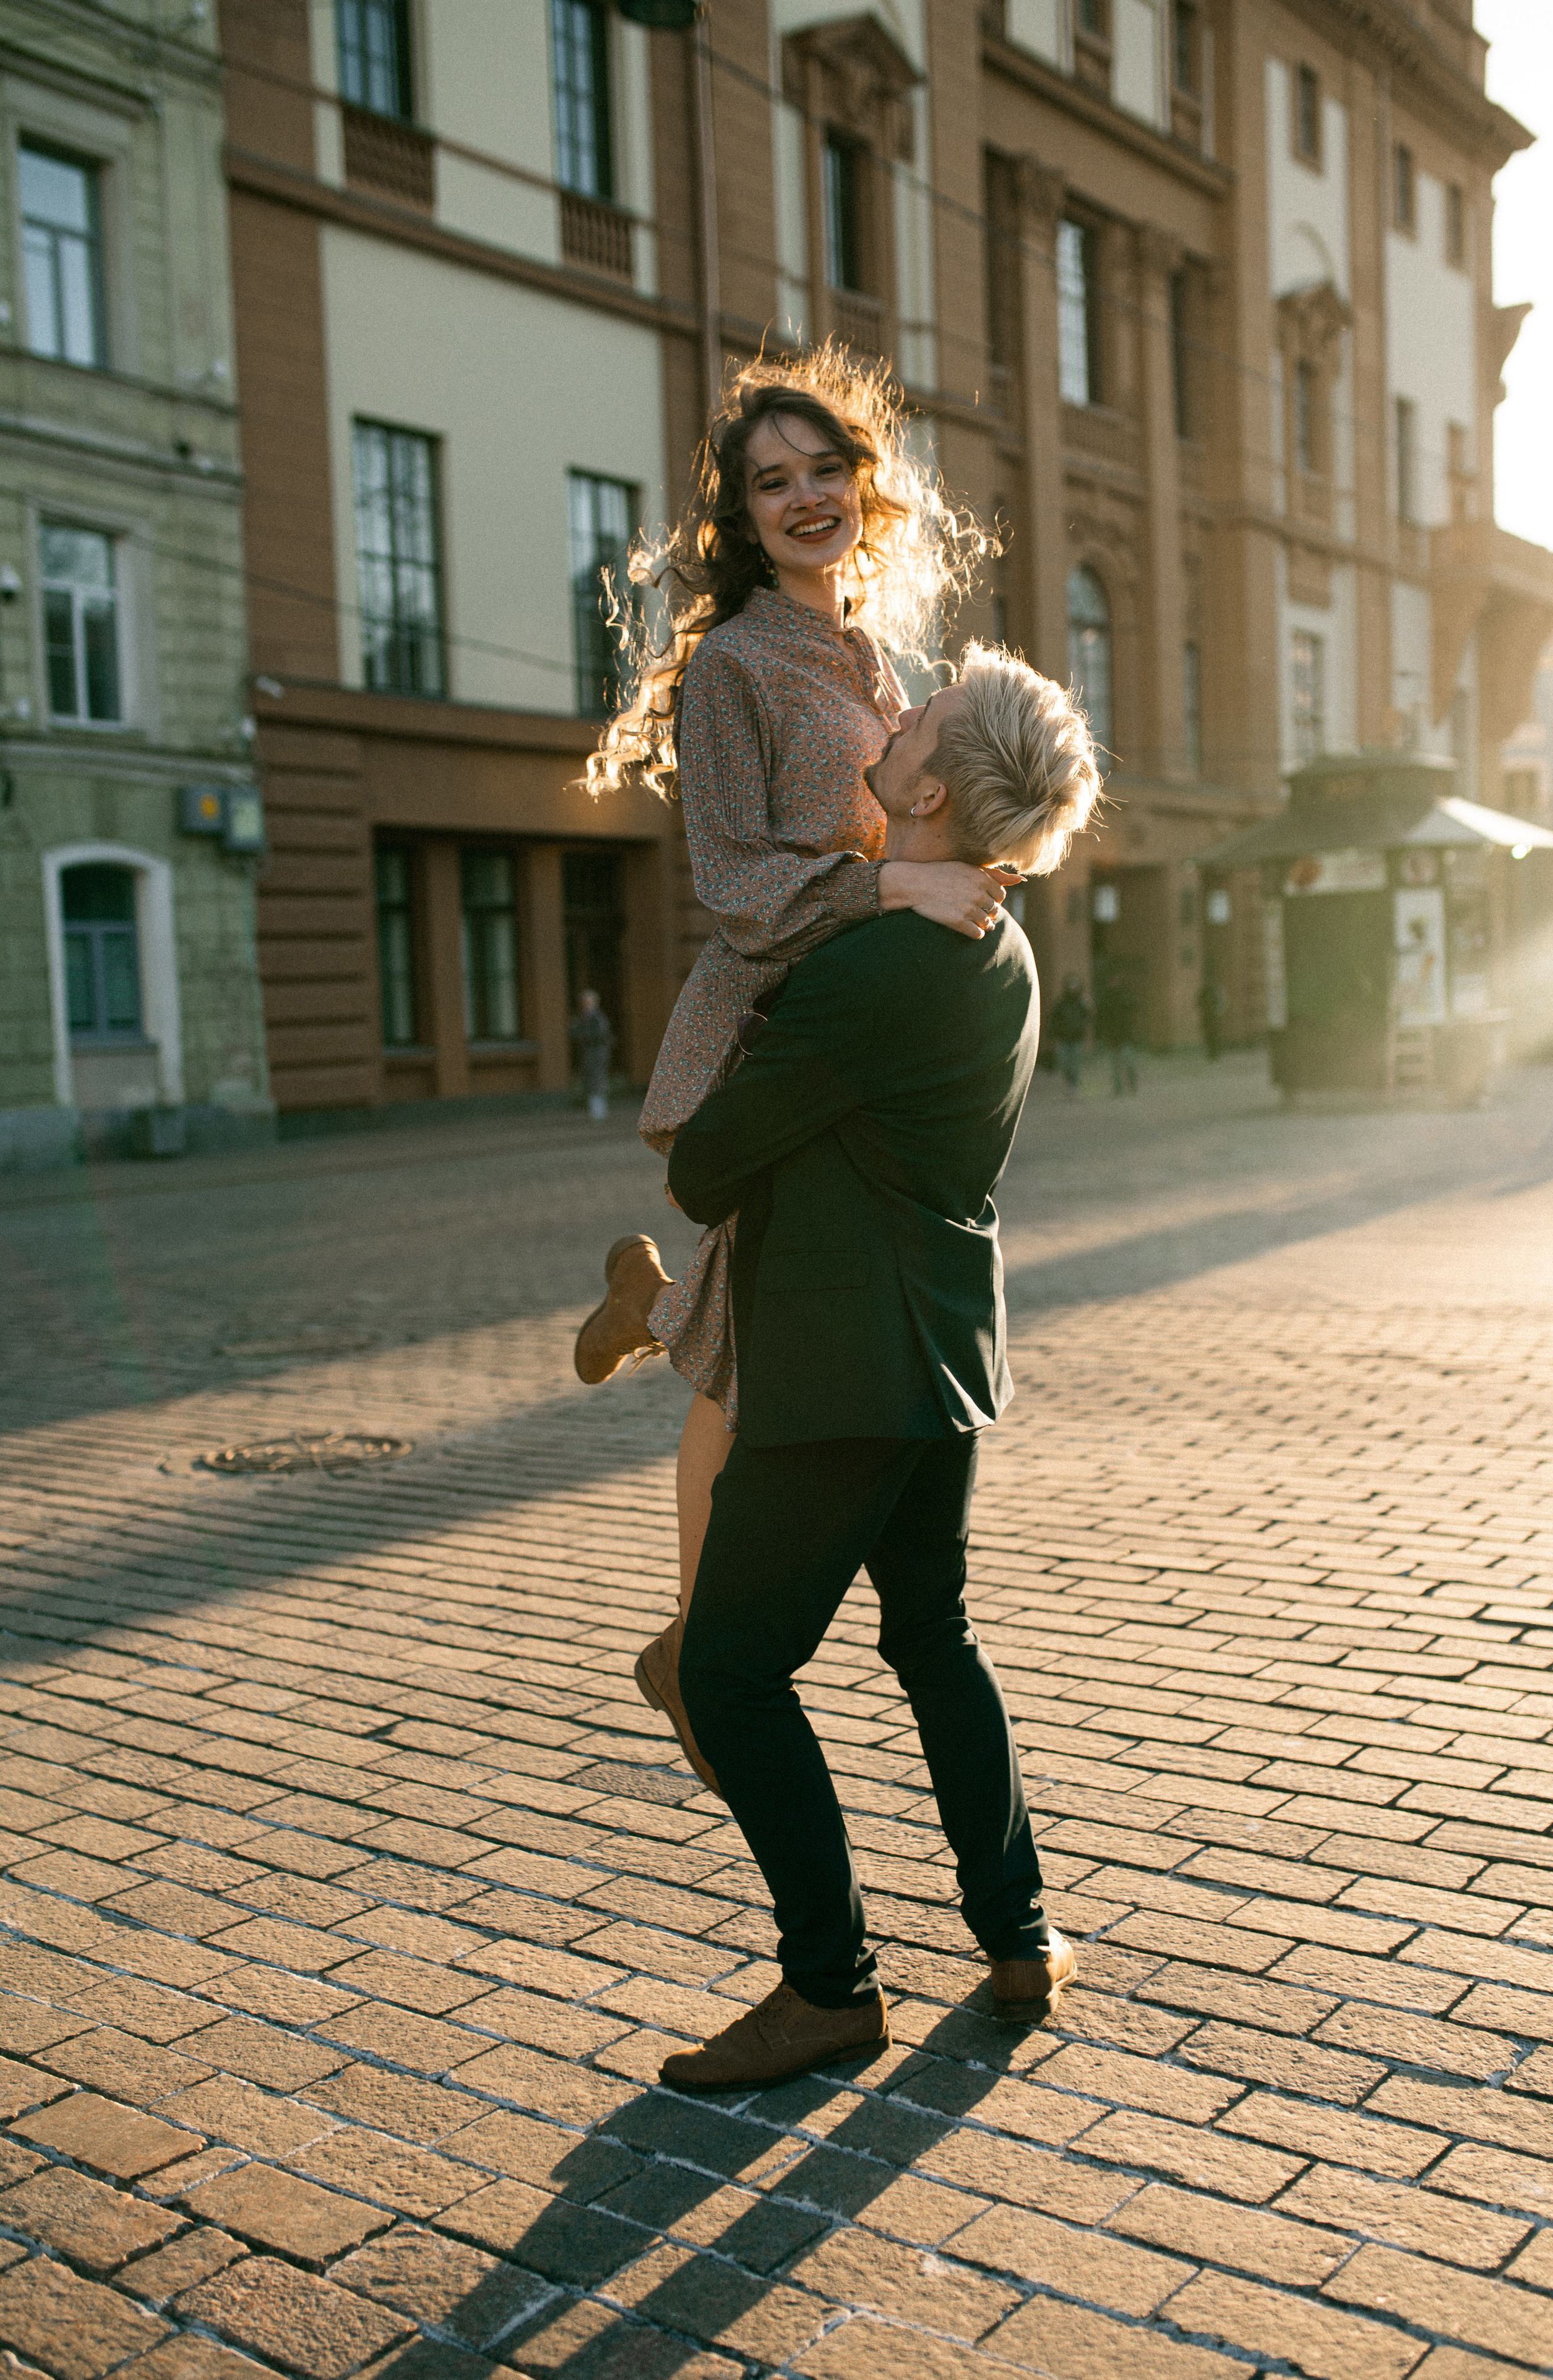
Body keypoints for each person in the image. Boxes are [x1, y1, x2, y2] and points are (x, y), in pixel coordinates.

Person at [635, 645, 1098, 2091]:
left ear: (937, 794)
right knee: (931, 1636)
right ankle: (1016, 1935)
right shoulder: (1000, 947)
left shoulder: (875, 964)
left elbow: (704, 1163)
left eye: (916, 726)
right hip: (941, 1355)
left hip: (838, 1365)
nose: (885, 724)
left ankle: (829, 1986)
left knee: (728, 1668)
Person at [573, 348, 1015, 1684]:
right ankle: (700, 1656)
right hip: (766, 1033)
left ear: (864, 488)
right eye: (773, 482)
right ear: (743, 513)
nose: (805, 497)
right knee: (752, 1361)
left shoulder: (870, 654)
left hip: (854, 1031)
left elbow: (914, 819)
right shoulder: (733, 668)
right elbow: (735, 885)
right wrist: (898, 886)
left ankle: (652, 1313)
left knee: (749, 1336)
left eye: (826, 470)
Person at [569, 987, 613, 1119]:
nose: (585, 1005)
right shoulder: (584, 1018)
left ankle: (599, 1109)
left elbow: (599, 1034)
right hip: (589, 1052)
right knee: (589, 1078)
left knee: (597, 1078)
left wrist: (582, 1035)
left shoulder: (597, 1018)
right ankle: (593, 1108)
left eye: (587, 1002)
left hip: (597, 1052)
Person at [1095, 968, 1139, 1095]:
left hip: (1125, 1036)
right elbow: (1101, 1017)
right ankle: (1118, 1088)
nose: (1114, 982)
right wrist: (1104, 1034)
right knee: (1114, 1065)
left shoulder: (1126, 994)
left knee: (1129, 1062)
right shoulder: (1106, 997)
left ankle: (1132, 1085)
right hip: (1112, 1037)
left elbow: (1134, 1007)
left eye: (1116, 980)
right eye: (1112, 980)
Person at [1048, 972, 1091, 1094]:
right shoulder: (1061, 1003)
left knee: (1075, 1064)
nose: (1073, 988)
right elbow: (1054, 1019)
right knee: (1064, 1063)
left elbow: (1089, 1017)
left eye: (1075, 985)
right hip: (1064, 1038)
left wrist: (1082, 1029)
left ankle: (1074, 1086)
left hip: (1077, 1038)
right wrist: (1053, 1033)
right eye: (1071, 985)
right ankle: (1069, 1083)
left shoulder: (1082, 1003)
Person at [1197, 974, 1226, 1062]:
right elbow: (1198, 1002)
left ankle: (1215, 1053)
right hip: (1207, 1016)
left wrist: (1218, 1012)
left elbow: (1222, 1002)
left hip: (1214, 1016)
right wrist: (1203, 1010)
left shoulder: (1216, 991)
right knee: (1208, 1034)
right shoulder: (1204, 991)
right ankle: (1211, 1053)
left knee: (1215, 1034)